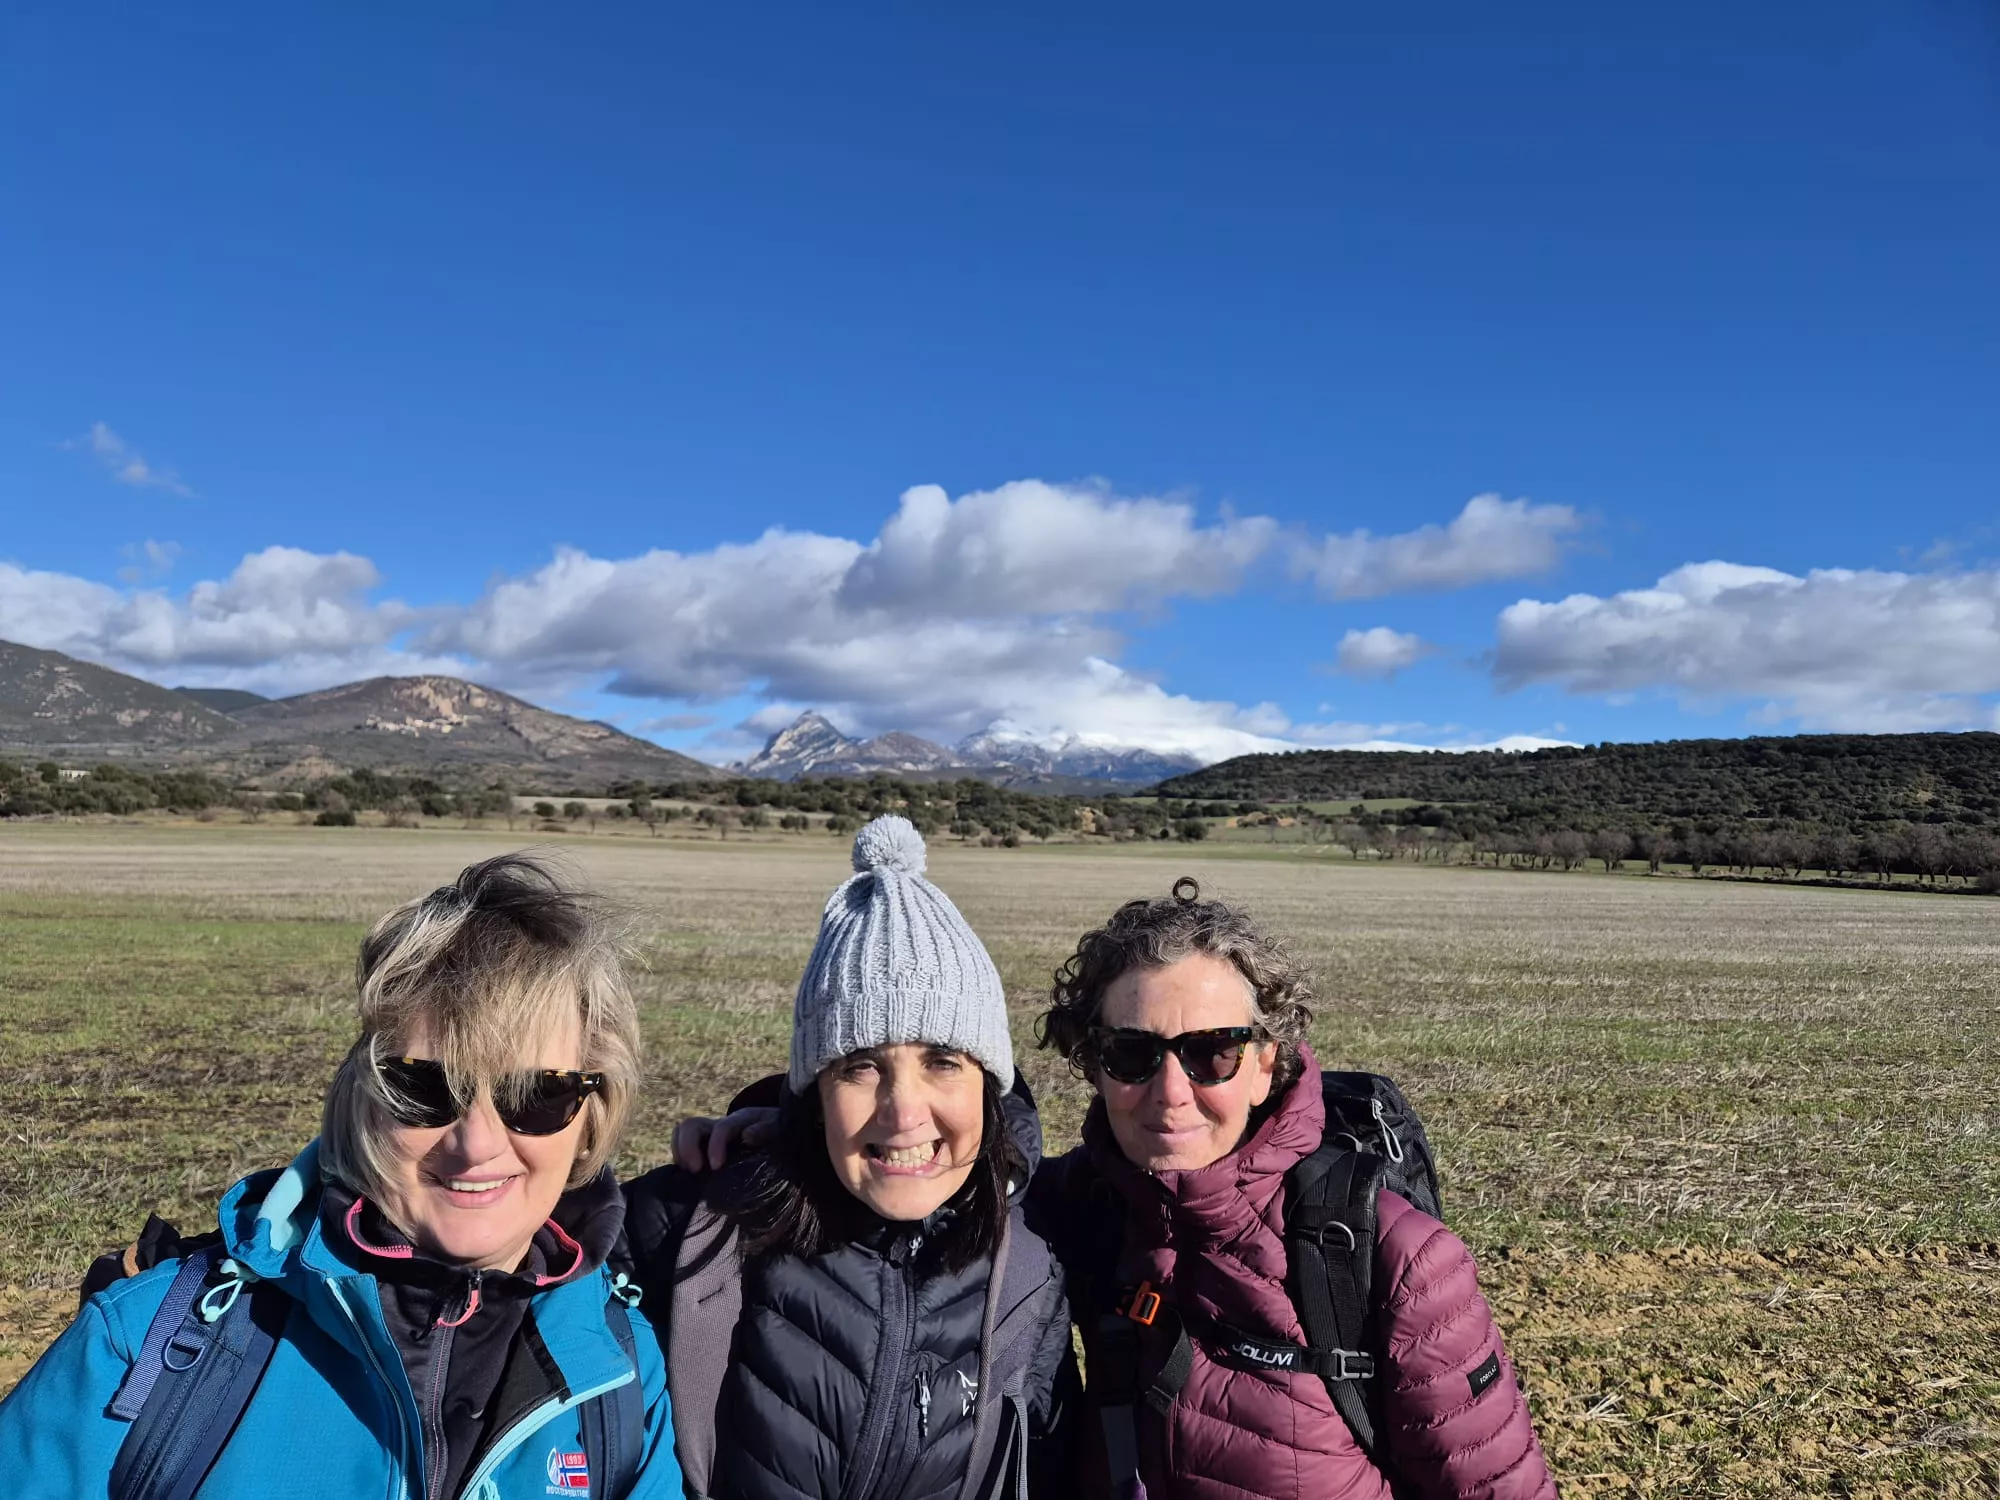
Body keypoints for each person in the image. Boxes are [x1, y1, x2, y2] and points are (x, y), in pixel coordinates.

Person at [677, 878, 1556, 1500]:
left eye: (1212, 1052)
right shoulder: (1074, 1208)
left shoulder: (1390, 1259)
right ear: (1092, 1066)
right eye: (1133, 1055)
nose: (1171, 1092)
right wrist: (778, 1133)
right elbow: (931, 1164)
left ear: (1267, 1064)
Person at [0, 853, 683, 1500]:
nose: (477, 1143)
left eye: (538, 1094)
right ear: (362, 1098)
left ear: (594, 1114)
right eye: (424, 1088)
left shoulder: (621, 1370)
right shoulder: (146, 1339)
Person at [621, 815, 1076, 1500]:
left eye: (944, 1062)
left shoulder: (1031, 1272)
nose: (903, 1111)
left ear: (990, 1084)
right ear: (815, 1092)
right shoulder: (687, 1233)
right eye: (861, 1065)